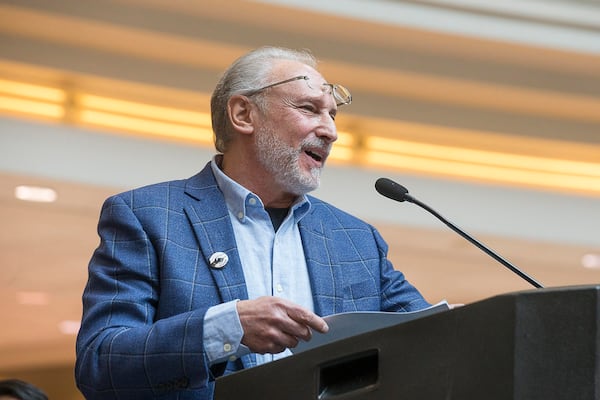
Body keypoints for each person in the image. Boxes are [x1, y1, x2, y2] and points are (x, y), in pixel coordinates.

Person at [75, 46, 432, 400]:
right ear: (243, 114)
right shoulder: (147, 216)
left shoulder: (355, 239)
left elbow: (431, 334)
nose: (330, 131)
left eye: (332, 115)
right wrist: (226, 329)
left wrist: (477, 323)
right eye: (309, 108)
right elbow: (99, 364)